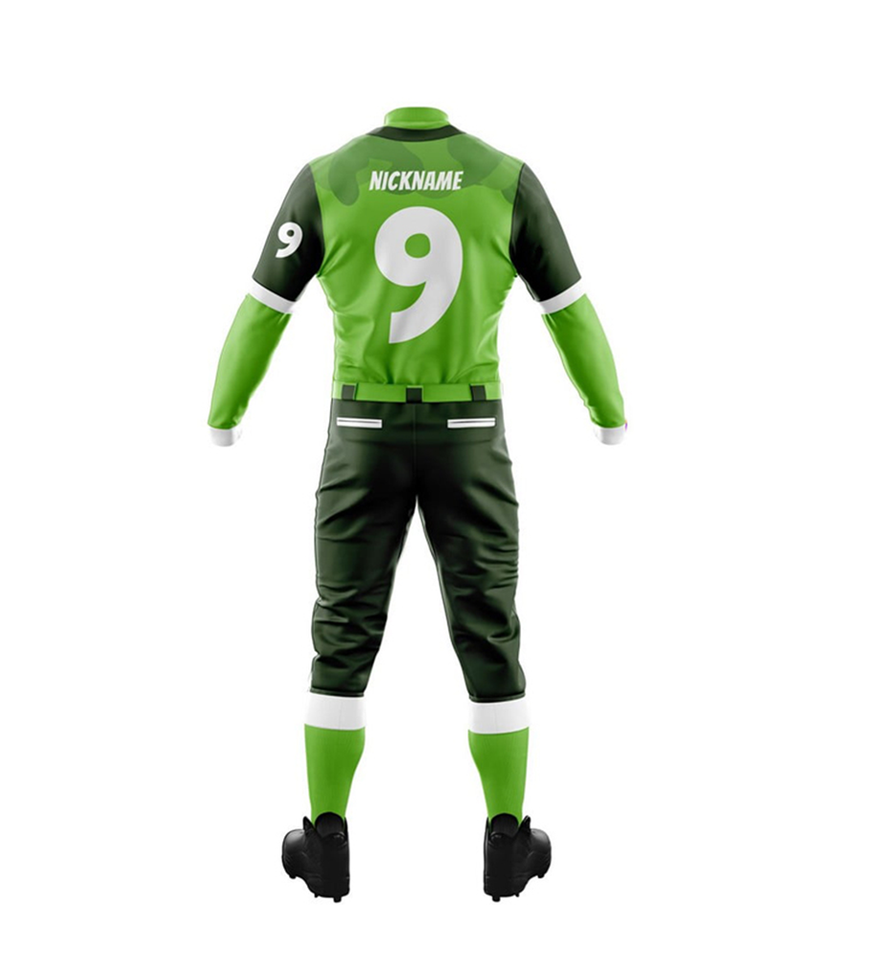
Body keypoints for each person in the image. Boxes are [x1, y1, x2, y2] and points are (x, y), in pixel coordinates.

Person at [207, 106, 627, 902]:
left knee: (342, 630)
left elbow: (264, 307)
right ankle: (508, 843)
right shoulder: (505, 179)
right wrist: (608, 412)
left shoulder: (326, 178)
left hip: (360, 435)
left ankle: (324, 843)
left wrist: (222, 414)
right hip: (469, 436)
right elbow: (568, 307)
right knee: (489, 629)